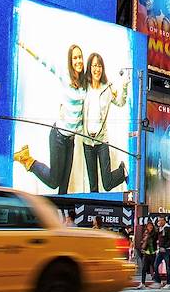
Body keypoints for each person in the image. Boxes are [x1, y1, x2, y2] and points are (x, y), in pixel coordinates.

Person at [12, 44, 88, 195]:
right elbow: (46, 62)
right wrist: (28, 48)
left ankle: (63, 215)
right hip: (58, 137)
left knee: (64, 185)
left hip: (70, 140)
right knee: (54, 182)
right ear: (70, 61)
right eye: (75, 58)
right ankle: (28, 159)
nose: (78, 61)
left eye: (80, 57)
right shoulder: (65, 76)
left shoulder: (85, 83)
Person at [81, 53, 130, 193]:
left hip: (102, 142)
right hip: (87, 143)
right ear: (90, 67)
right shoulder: (84, 88)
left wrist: (125, 86)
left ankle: (122, 171)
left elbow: (120, 102)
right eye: (95, 65)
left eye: (100, 66)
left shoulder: (108, 89)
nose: (97, 69)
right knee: (93, 187)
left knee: (107, 184)